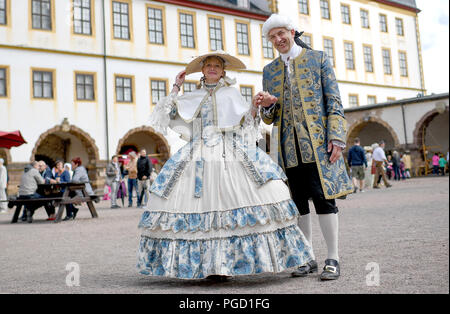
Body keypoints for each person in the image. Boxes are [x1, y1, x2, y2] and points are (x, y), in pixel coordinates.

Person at [137, 51, 313, 281]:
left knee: (259, 190)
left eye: (216, 66)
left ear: (223, 71)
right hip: (198, 150)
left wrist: (254, 106)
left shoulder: (231, 94)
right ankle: (212, 267)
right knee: (191, 201)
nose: (212, 68)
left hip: (230, 148)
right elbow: (168, 114)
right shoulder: (193, 95)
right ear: (202, 70)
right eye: (208, 65)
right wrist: (176, 87)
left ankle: (228, 264)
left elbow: (246, 124)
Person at [254, 14, 353, 280]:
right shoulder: (269, 71)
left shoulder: (318, 59)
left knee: (324, 200)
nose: (277, 40)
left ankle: (333, 257)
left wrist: (337, 138)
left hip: (319, 144)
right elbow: (268, 118)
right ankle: (306, 256)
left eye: (281, 34)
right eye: (272, 37)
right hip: (288, 148)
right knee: (297, 204)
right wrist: (268, 105)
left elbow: (334, 101)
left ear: (292, 31)